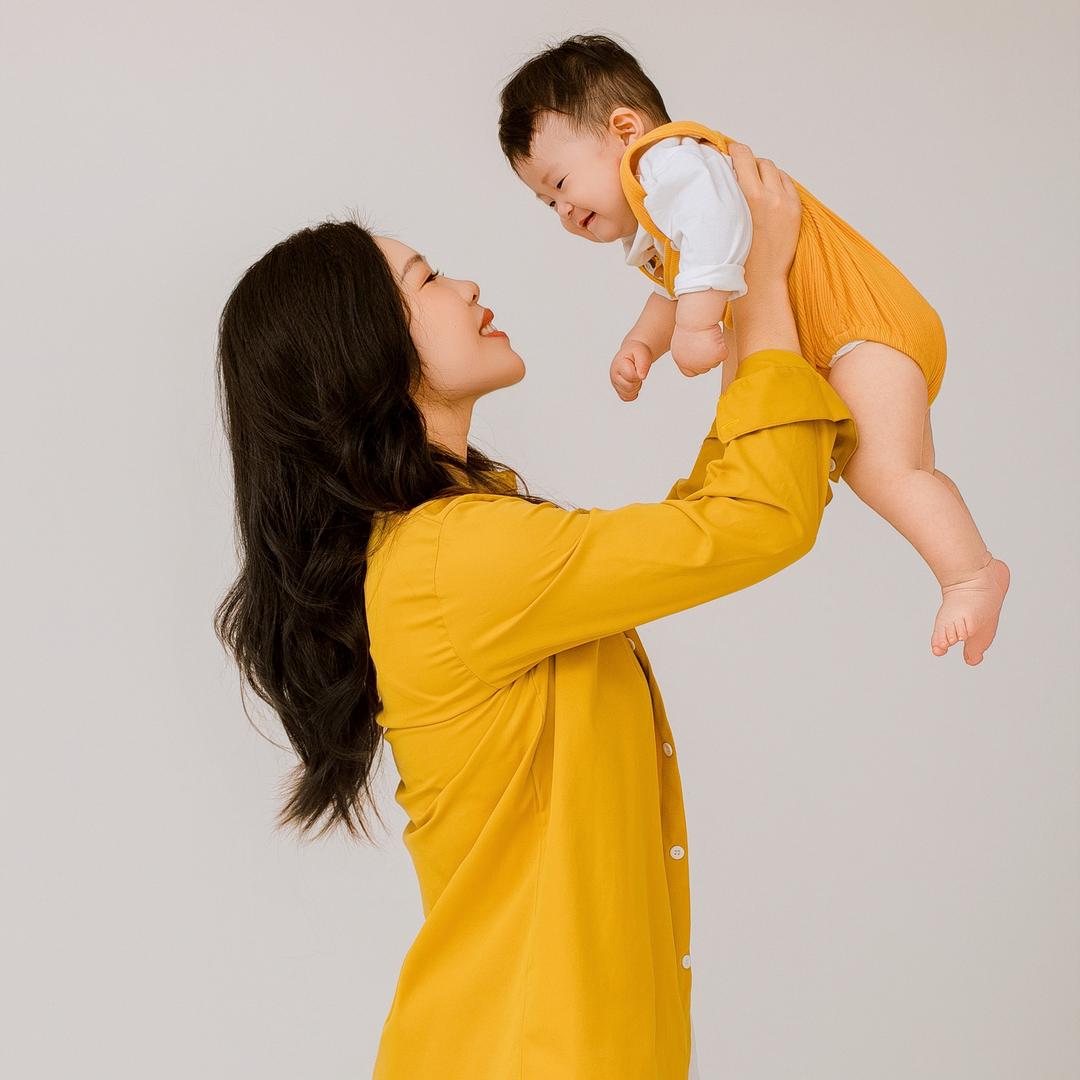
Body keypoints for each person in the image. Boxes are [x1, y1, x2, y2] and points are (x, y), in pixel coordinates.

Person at [214, 145, 855, 1079]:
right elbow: (754, 522)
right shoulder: (456, 558)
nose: (465, 283)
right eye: (425, 280)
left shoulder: (458, 542)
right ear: (363, 352)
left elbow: (705, 522)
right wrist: (756, 290)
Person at [499, 33, 1010, 666]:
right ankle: (967, 568)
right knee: (898, 470)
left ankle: (970, 576)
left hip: (859, 325)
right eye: (546, 202)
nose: (562, 210)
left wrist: (693, 327)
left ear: (625, 129)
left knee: (884, 472)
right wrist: (645, 342)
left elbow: (718, 236)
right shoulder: (666, 213)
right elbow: (683, 278)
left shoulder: (666, 160)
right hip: (845, 340)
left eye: (561, 182)